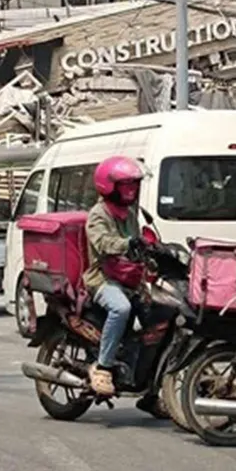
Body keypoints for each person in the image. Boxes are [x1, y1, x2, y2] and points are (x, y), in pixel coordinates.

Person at [82, 156, 146, 398]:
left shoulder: (129, 215)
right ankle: (103, 366)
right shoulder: (98, 214)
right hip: (102, 279)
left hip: (129, 277)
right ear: (108, 186)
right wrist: (127, 244)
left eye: (133, 185)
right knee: (121, 309)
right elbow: (103, 242)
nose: (131, 190)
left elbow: (140, 242)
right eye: (125, 185)